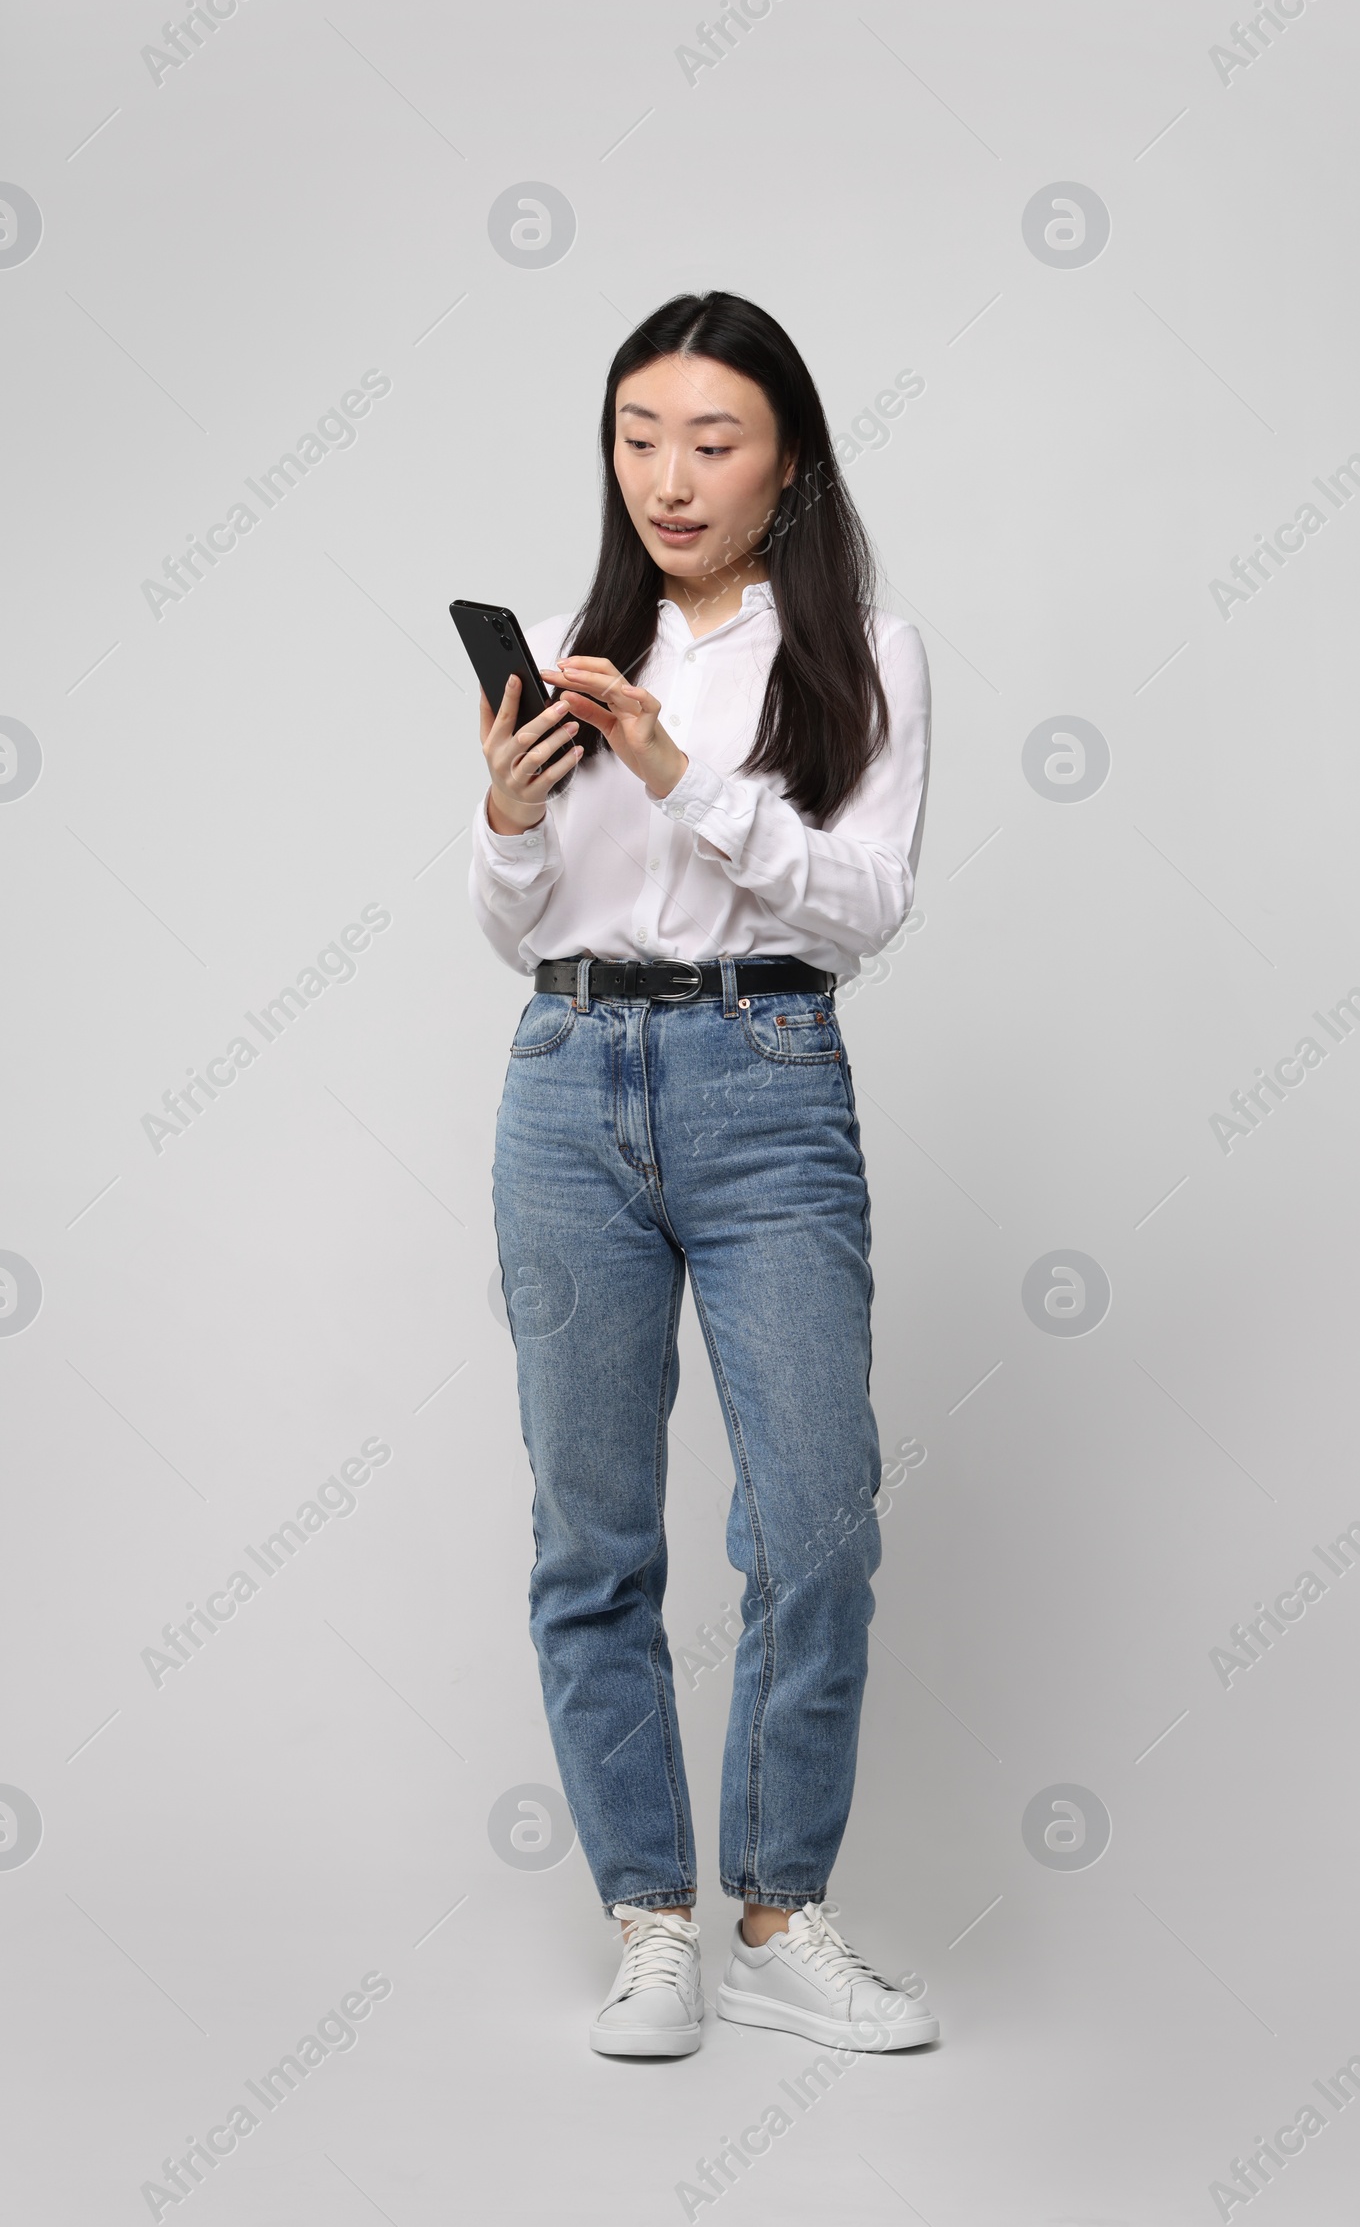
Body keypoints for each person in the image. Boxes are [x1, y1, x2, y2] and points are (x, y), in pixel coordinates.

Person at [468, 290, 936, 2058]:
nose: (669, 475)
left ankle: (779, 1910)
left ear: (787, 461)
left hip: (767, 1081)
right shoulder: (580, 647)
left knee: (816, 1523)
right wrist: (515, 818)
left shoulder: (866, 653)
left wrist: (678, 772)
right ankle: (651, 1919)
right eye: (639, 435)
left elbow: (863, 907)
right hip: (567, 1083)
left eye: (712, 440)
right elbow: (520, 931)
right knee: (591, 1539)